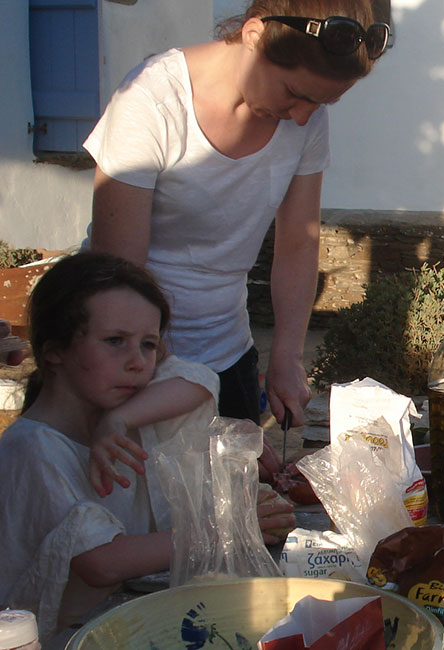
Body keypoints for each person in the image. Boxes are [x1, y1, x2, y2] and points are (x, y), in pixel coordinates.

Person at [82, 0, 389, 482]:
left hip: (229, 354)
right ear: (252, 35)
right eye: (295, 93)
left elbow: (298, 244)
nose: (304, 117)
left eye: (322, 104)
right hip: (134, 363)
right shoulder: (152, 100)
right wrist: (192, 409)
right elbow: (118, 275)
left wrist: (286, 356)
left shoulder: (304, 120)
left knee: (241, 521)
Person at [0, 252, 295, 640]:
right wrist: (226, 528)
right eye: (115, 341)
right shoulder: (32, 447)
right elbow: (101, 562)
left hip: (129, 625)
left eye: (149, 344)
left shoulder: (125, 415)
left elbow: (199, 380)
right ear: (54, 350)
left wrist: (118, 420)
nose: (138, 362)